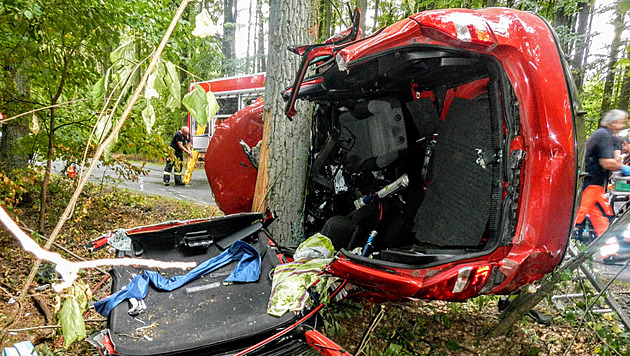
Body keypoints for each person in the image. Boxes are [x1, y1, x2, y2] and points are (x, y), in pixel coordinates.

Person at [574, 110, 629, 238]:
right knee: (600, 218)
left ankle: (608, 253)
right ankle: (607, 252)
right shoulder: (603, 135)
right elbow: (607, 162)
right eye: (621, 123)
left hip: (593, 184)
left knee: (596, 218)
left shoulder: (606, 135)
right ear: (614, 123)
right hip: (591, 184)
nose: (623, 126)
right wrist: (624, 168)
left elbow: (615, 158)